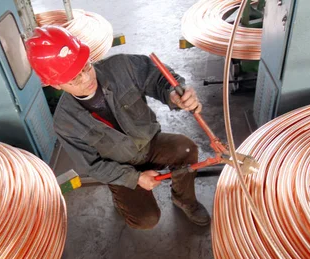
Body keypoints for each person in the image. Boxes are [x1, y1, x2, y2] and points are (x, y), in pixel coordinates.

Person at [25, 26, 210, 229]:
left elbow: (156, 76)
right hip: (119, 167)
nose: (87, 79)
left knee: (186, 149)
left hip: (150, 144)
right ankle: (121, 199)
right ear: (56, 85)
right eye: (74, 78)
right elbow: (92, 166)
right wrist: (135, 178)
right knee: (146, 220)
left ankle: (183, 199)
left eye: (86, 67)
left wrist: (174, 94)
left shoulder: (121, 67)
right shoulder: (65, 123)